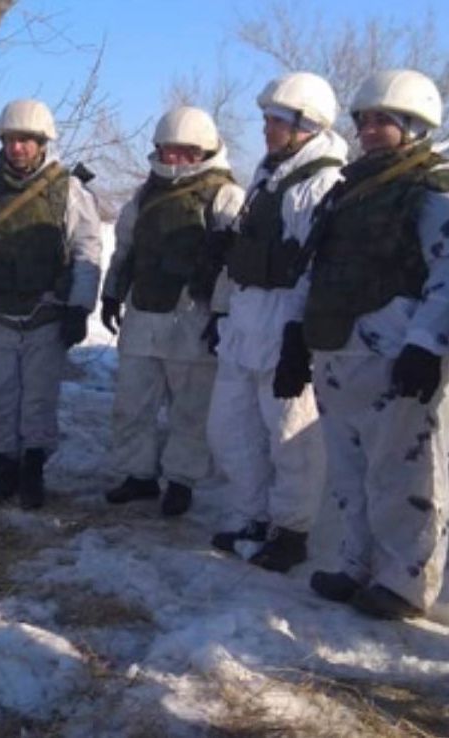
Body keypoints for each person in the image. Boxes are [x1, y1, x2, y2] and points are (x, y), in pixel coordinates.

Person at [292, 70, 449, 620]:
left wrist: (427, 344)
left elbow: (447, 273)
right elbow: (315, 266)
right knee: (348, 468)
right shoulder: (348, 192)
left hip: (395, 355)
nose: (370, 129)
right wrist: (294, 335)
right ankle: (356, 562)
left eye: (384, 120)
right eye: (365, 120)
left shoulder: (429, 191)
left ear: (413, 125)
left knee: (401, 472)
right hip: (339, 350)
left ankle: (404, 581)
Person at [206, 73, 344, 572]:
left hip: (283, 321)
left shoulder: (319, 183)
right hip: (246, 319)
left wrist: (298, 338)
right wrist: (221, 309)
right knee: (231, 428)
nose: (266, 128)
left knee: (292, 436)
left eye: (276, 121)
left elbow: (314, 267)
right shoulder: (268, 175)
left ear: (305, 124)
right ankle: (251, 515)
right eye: (267, 119)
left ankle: (292, 529)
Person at [0, 99, 103, 510]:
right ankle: (5, 472)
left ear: (41, 143)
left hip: (46, 311)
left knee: (38, 399)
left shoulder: (66, 189)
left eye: (26, 141)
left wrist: (79, 308)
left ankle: (33, 473)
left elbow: (86, 250)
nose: (17, 148)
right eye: (11, 140)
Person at [100, 107, 245, 516]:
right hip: (144, 312)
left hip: (193, 315)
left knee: (191, 408)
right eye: (168, 150)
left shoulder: (224, 194)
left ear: (204, 151)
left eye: (185, 152)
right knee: (133, 402)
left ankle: (182, 480)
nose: (175, 159)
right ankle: (138, 474)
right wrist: (112, 293)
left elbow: (234, 261)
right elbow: (125, 248)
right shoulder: (145, 194)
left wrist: (221, 313)